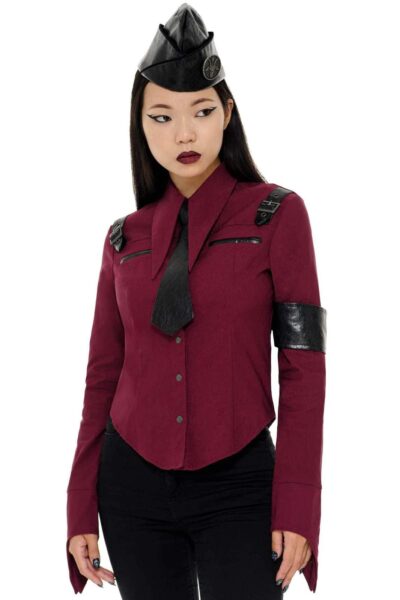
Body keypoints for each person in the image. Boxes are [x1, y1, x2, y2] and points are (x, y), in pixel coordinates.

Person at [66, 3, 327, 598]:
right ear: (140, 124)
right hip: (130, 486)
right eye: (161, 117)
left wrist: (298, 503)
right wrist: (80, 505)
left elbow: (304, 370)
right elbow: (102, 376)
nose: (184, 134)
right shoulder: (122, 238)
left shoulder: (278, 216)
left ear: (227, 113)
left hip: (241, 485)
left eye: (202, 112)